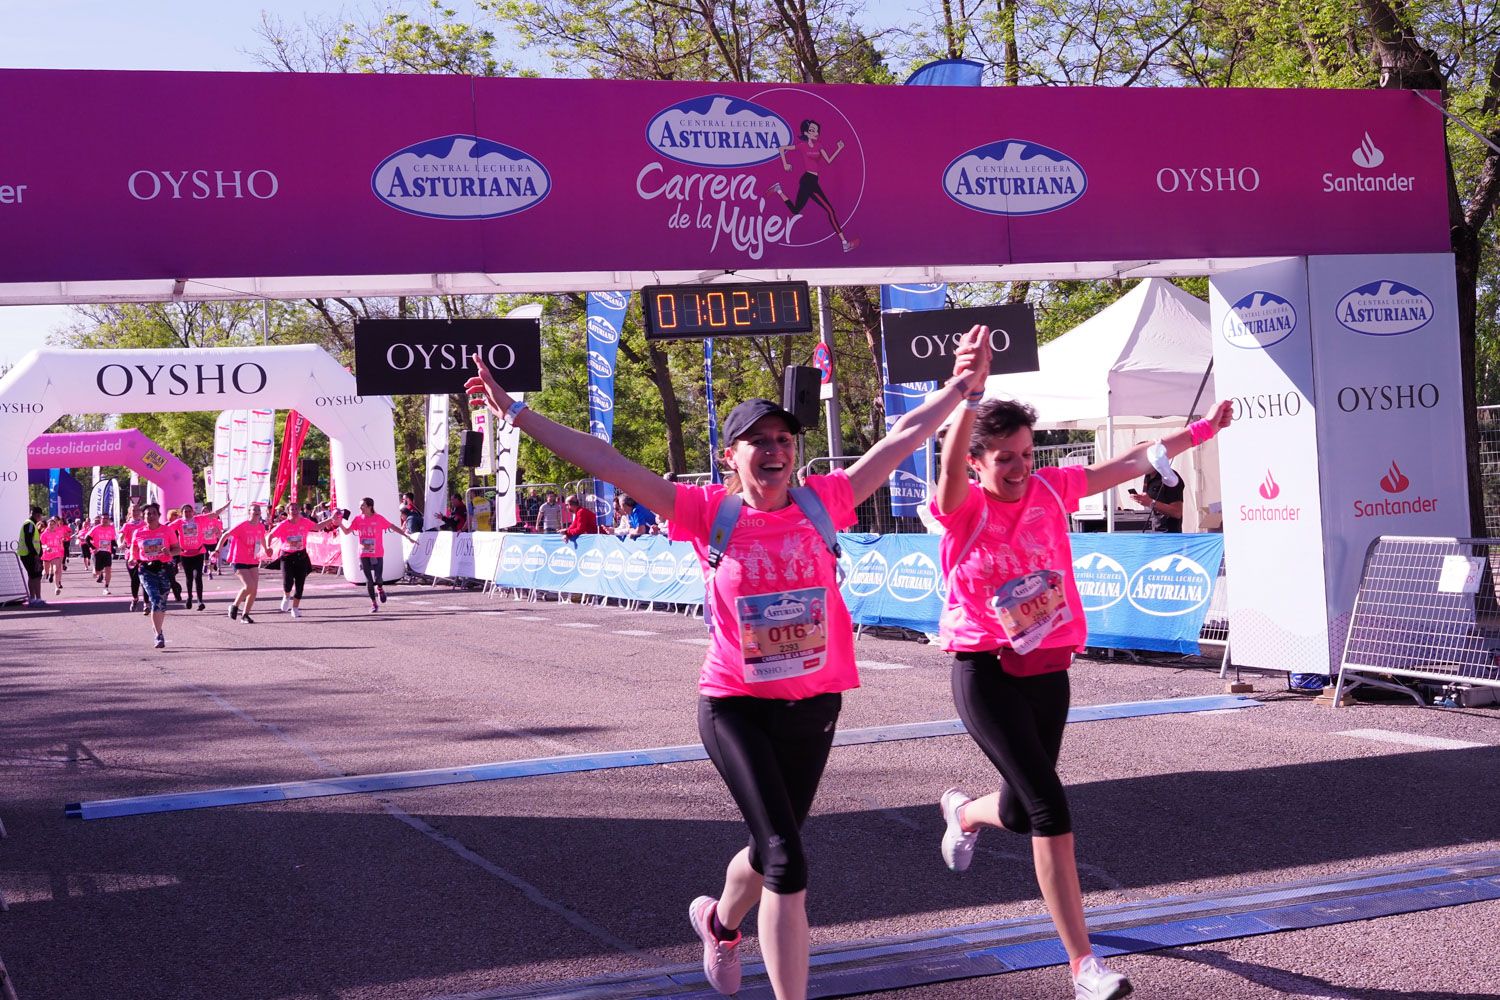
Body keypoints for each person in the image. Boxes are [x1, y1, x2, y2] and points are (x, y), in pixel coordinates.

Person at [465, 329, 989, 1000]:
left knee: (771, 847)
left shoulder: (824, 501)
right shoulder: (703, 510)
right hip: (735, 706)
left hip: (815, 703)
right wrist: (515, 413)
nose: (775, 452)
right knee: (787, 861)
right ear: (731, 456)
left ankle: (719, 920)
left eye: (784, 441)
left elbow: (903, 439)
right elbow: (605, 458)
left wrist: (960, 388)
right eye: (759, 442)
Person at [931, 396, 1233, 1000]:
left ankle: (963, 814)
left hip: (1048, 667)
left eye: (1025, 454)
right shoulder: (962, 508)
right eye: (1005, 459)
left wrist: (1202, 430)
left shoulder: (1049, 489)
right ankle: (1083, 966)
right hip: (985, 671)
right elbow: (943, 476)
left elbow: (1123, 465)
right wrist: (966, 396)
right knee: (1049, 809)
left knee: (1019, 812)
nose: (1020, 468)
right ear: (975, 462)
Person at [769, 119, 856, 253]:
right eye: (812, 130)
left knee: (795, 210)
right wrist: (785, 164)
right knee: (830, 211)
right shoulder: (802, 146)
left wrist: (839, 148)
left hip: (812, 180)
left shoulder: (819, 146)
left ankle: (779, 190)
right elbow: (782, 148)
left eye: (816, 130)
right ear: (806, 133)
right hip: (808, 181)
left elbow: (828, 160)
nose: (815, 133)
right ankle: (844, 243)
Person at [340, 498, 417, 613]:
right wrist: (339, 523)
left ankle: (380, 588)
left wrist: (407, 537)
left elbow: (393, 527)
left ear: (370, 506)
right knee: (369, 580)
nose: (360, 508)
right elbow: (346, 531)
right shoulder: (358, 519)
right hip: (363, 553)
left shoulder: (378, 518)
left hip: (377, 553)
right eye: (360, 506)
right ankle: (374, 603)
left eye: (363, 506)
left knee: (378, 579)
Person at [130, 502, 181, 649]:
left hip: (164, 568)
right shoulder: (138, 533)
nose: (150, 516)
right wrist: (132, 559)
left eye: (153, 513)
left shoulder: (167, 531)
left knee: (162, 603)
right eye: (147, 514)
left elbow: (178, 549)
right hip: (146, 569)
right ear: (143, 517)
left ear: (158, 515)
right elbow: (133, 551)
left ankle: (158, 628)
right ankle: (158, 635)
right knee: (155, 599)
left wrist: (169, 553)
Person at [215, 503, 269, 624]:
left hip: (253, 559)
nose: (257, 512)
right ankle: (234, 606)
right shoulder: (242, 525)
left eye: (258, 510)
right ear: (249, 512)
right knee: (249, 586)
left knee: (254, 589)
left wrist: (267, 549)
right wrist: (217, 550)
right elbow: (225, 535)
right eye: (254, 510)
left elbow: (262, 538)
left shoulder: (260, 526)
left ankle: (245, 615)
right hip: (238, 559)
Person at [269, 501, 322, 618]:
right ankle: (286, 596)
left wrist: (332, 519)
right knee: (288, 582)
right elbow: (271, 535)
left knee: (300, 584)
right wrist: (268, 548)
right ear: (288, 512)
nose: (295, 511)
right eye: (292, 509)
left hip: (301, 556)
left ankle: (295, 608)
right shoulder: (283, 524)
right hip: (287, 557)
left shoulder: (305, 522)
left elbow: (318, 527)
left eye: (296, 509)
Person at [1129, 464, 1185, 533]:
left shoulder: (1170, 477)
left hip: (1168, 537)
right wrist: (1143, 500)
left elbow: (1177, 512)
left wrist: (1150, 502)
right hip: (1152, 533)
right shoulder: (1148, 476)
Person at [120, 503, 145, 611]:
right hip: (131, 554)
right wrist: (121, 543)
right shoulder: (127, 525)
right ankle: (135, 598)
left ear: (140, 512)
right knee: (135, 579)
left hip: (144, 554)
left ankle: (147, 604)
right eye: (133, 510)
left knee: (145, 578)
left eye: (137, 510)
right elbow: (121, 536)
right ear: (130, 512)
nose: (135, 513)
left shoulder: (145, 524)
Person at [17, 507, 45, 606]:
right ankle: (37, 599)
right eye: (40, 515)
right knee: (36, 577)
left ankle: (32, 598)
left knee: (32, 576)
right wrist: (35, 555)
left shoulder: (30, 524)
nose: (40, 517)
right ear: (37, 515)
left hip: (27, 555)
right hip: (30, 555)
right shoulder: (29, 524)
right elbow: (28, 540)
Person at [85, 514, 118, 595]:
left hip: (107, 552)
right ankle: (96, 571)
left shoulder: (111, 528)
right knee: (97, 572)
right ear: (101, 520)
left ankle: (106, 588)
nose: (105, 520)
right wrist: (93, 548)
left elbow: (113, 540)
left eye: (107, 519)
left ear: (109, 520)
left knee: (108, 570)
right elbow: (87, 539)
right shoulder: (96, 528)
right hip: (98, 552)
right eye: (103, 519)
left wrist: (116, 547)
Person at [40, 516, 69, 595]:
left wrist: (64, 539)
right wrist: (47, 547)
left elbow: (64, 538)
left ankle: (56, 587)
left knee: (56, 570)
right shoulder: (44, 534)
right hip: (47, 554)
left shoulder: (59, 532)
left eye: (53, 524)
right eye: (50, 524)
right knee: (46, 571)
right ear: (47, 525)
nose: (52, 525)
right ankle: (45, 573)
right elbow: (42, 545)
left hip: (56, 554)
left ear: (56, 525)